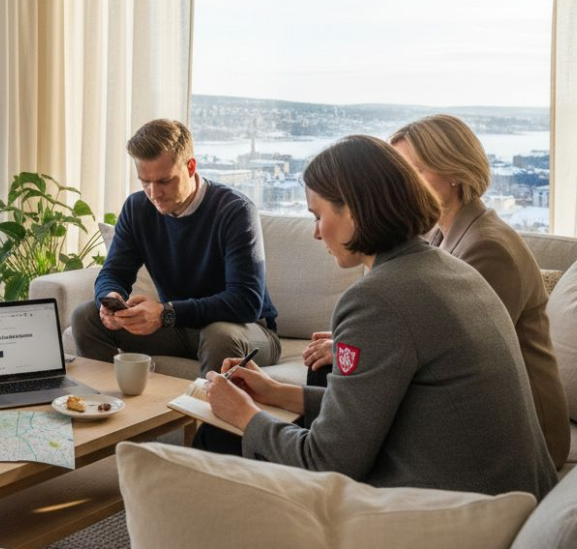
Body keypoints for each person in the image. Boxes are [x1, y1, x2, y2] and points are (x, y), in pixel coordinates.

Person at [196, 135, 557, 498]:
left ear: (353, 211)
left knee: (220, 434)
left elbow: (326, 460)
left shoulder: (375, 299)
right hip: (504, 497)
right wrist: (276, 392)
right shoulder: (453, 270)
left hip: (452, 512)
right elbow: (373, 408)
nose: (316, 232)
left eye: (319, 215)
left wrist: (244, 414)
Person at [301, 115, 570, 469]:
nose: (398, 184)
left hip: (509, 429)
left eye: (413, 171)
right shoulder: (438, 239)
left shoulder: (489, 247)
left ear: (453, 172)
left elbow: (457, 344)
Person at [71, 118, 280, 377]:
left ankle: (207, 417)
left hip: (246, 329)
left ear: (190, 166)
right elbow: (113, 272)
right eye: (144, 181)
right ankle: (111, 408)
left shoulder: (235, 211)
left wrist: (165, 313)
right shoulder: (137, 209)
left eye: (164, 181)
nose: (153, 193)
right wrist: (111, 298)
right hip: (181, 326)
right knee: (86, 317)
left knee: (218, 335)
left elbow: (245, 302)